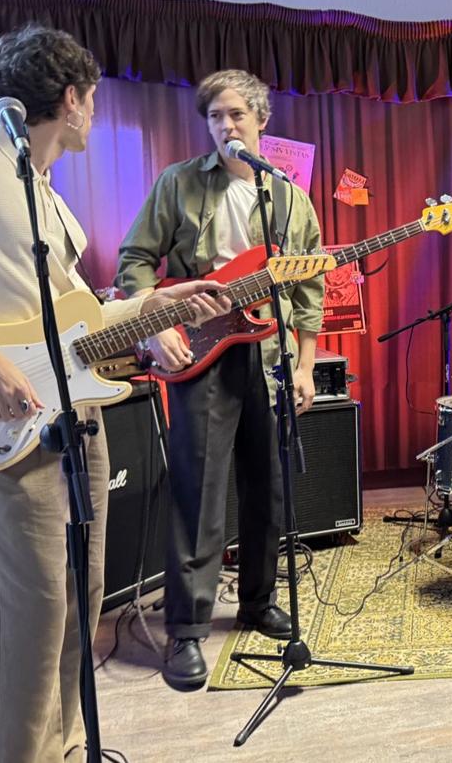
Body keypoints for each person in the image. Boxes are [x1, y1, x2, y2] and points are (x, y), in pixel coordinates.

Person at [0, 24, 228, 762]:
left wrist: (166, 302)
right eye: (93, 98)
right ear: (72, 98)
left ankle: (67, 748)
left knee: (77, 609)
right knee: (31, 619)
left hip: (77, 420)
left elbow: (78, 326)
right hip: (5, 428)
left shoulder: (45, 198)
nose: (95, 112)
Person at [115, 70, 325, 692]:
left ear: (261, 119)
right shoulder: (178, 183)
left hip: (268, 353)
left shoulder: (287, 195)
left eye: (236, 114)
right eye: (214, 117)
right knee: (198, 490)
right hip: (199, 353)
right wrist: (156, 324)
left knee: (268, 485)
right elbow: (133, 261)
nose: (225, 126)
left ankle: (259, 603)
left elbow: (309, 284)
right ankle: (185, 629)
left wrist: (307, 362)